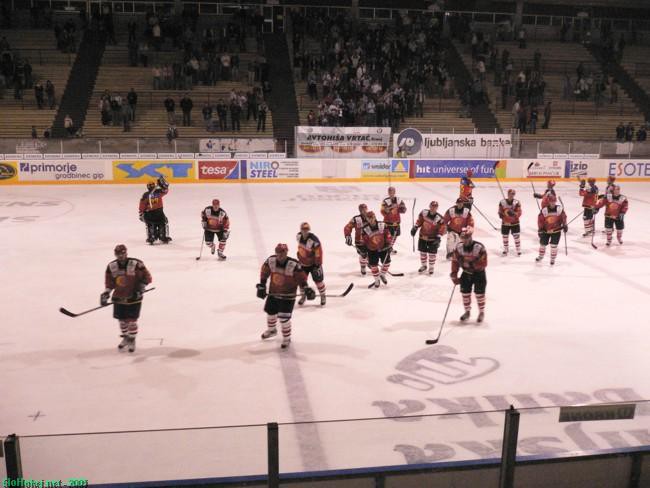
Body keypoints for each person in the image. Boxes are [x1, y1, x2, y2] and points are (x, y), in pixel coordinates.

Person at [257, 243, 314, 349]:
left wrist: (306, 288)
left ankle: (287, 338)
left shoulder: (293, 264)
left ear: (286, 252)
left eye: (282, 253)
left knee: (284, 318)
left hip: (288, 296)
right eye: (278, 252)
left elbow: (302, 278)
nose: (280, 255)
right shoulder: (271, 260)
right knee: (270, 313)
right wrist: (262, 285)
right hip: (273, 293)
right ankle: (272, 330)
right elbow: (264, 271)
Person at [101, 244, 152, 353]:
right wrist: (106, 293)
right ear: (115, 254)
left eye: (122, 253)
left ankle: (132, 339)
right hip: (119, 298)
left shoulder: (136, 263)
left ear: (126, 253)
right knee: (122, 321)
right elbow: (109, 283)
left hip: (134, 297)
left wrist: (140, 289)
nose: (120, 256)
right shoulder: (111, 266)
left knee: (132, 321)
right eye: (118, 254)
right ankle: (126, 337)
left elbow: (147, 277)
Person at [450, 226, 487, 323]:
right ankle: (467, 312)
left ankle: (481, 312)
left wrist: (470, 264)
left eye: (466, 238)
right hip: (466, 273)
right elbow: (455, 261)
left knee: (480, 294)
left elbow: (484, 262)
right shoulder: (458, 247)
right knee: (465, 293)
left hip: (479, 274)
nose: (465, 240)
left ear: (471, 237)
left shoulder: (479, 247)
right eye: (463, 238)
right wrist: (454, 273)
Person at [411, 201, 446, 275]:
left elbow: (442, 227)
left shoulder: (439, 218)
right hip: (422, 236)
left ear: (437, 208)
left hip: (433, 238)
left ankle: (431, 267)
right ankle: (424, 265)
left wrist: (439, 237)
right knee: (422, 252)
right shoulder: (424, 213)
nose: (433, 208)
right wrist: (415, 227)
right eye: (432, 206)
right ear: (429, 206)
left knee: (432, 253)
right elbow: (419, 221)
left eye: (435, 207)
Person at [296, 222, 326, 306]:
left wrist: (317, 265)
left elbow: (319, 253)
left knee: (318, 281)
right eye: (303, 229)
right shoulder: (298, 236)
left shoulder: (314, 240)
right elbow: (300, 248)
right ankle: (303, 296)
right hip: (303, 264)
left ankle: (323, 295)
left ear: (309, 230)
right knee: (301, 282)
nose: (305, 231)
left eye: (306, 230)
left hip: (313, 265)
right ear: (301, 230)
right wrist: (299, 256)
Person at [362, 211, 393, 288]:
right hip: (372, 249)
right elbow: (364, 241)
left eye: (372, 217)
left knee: (387, 262)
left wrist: (388, 245)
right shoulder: (365, 229)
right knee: (373, 265)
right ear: (367, 219)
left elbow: (388, 235)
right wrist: (364, 250)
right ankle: (377, 279)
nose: (371, 219)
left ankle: (382, 274)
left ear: (375, 217)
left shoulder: (382, 225)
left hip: (383, 248)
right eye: (368, 218)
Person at [536, 194, 567, 265]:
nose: (552, 203)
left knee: (554, 245)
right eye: (551, 201)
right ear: (548, 202)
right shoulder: (544, 210)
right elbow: (540, 220)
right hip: (545, 230)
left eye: (554, 201)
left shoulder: (559, 209)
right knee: (542, 244)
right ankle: (541, 256)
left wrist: (565, 224)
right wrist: (540, 229)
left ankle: (552, 259)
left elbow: (563, 217)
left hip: (556, 230)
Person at [138, 176, 171, 244]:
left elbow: (142, 204)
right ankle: (162, 236)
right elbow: (165, 191)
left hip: (151, 213)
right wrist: (164, 186)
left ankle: (153, 236)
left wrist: (141, 212)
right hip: (158, 212)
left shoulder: (146, 195)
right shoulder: (158, 192)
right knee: (162, 223)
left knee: (151, 224)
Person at [344, 203, 369, 275]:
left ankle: (369, 262)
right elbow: (348, 227)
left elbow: (375, 226)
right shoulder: (356, 218)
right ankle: (363, 266)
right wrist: (347, 235)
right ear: (359, 210)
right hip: (360, 241)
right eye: (362, 209)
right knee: (363, 254)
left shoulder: (371, 217)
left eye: (365, 209)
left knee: (372, 254)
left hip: (370, 241)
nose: (363, 211)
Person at [380, 186, 407, 253]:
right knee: (388, 236)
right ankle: (386, 247)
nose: (391, 193)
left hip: (397, 222)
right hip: (388, 222)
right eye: (390, 191)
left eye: (392, 191)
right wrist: (390, 208)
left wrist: (402, 208)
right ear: (388, 192)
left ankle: (390, 247)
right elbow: (382, 211)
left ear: (394, 192)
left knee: (395, 235)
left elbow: (403, 210)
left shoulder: (399, 200)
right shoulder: (385, 201)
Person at [498, 189, 522, 256]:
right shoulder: (502, 202)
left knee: (516, 236)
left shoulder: (517, 202)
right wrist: (501, 214)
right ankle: (505, 249)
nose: (512, 195)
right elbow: (500, 211)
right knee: (505, 236)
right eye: (511, 194)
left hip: (515, 223)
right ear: (508, 194)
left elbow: (519, 212)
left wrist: (514, 214)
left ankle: (518, 249)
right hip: (505, 223)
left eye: (513, 194)